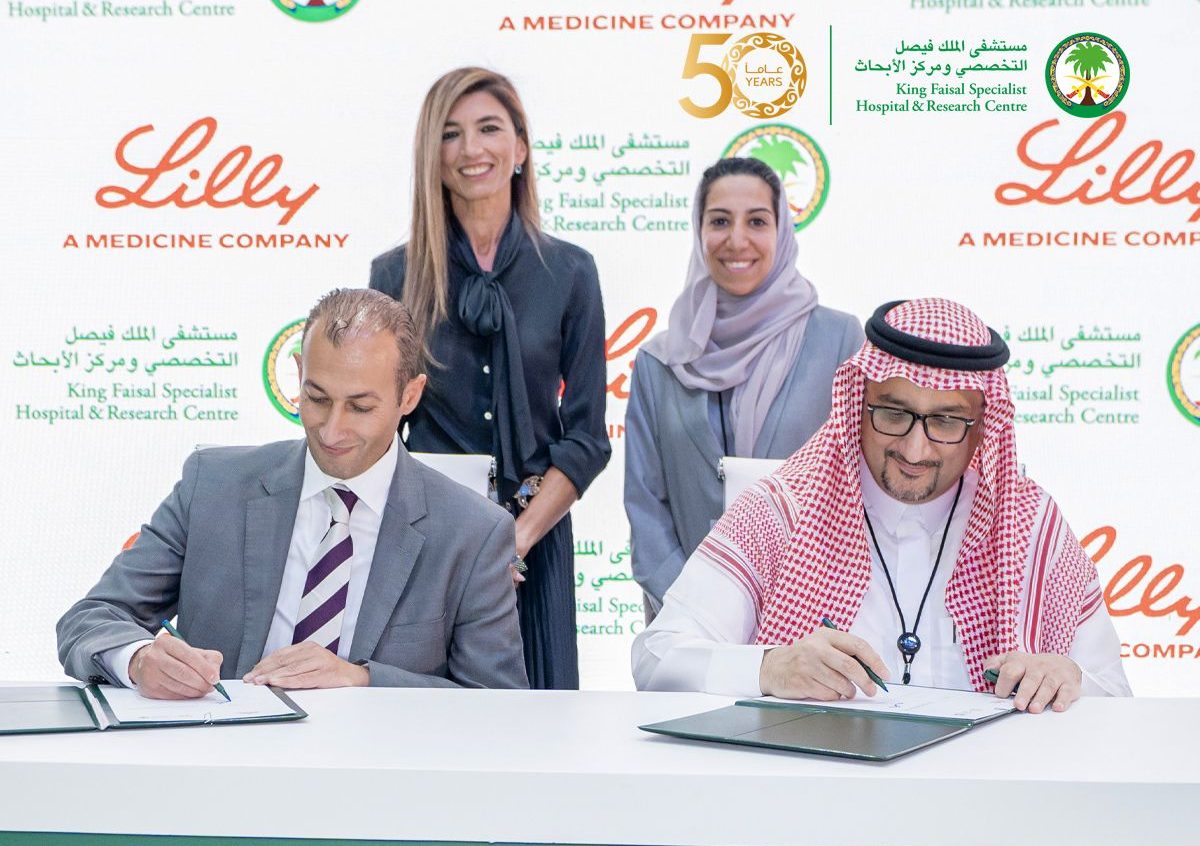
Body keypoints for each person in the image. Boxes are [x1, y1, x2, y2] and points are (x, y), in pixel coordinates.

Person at [633, 298, 1130, 713]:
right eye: (893, 413)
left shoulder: (1029, 526)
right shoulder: (781, 512)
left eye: (946, 422)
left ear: (982, 427)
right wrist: (769, 667)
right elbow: (656, 657)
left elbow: (1116, 696)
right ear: (860, 401)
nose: (915, 449)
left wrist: (1069, 677)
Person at [58, 288, 528, 698]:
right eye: (317, 398)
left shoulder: (473, 531)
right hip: (220, 762)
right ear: (300, 372)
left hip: (379, 769)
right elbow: (92, 618)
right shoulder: (213, 486)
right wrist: (138, 659)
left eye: (360, 407)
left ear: (409, 396)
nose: (332, 429)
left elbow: (497, 705)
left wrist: (364, 681)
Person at [370, 67, 610, 690]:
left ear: (520, 147)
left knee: (538, 722)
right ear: (432, 155)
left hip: (534, 542)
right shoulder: (393, 276)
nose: (471, 148)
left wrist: (515, 540)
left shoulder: (571, 272)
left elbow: (587, 439)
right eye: (450, 134)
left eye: (489, 129)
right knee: (420, 718)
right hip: (426, 545)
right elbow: (378, 428)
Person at [624, 157, 863, 616]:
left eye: (756, 221)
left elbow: (855, 492)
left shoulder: (838, 340)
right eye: (719, 221)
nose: (736, 240)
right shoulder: (660, 361)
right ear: (699, 231)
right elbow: (646, 505)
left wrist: (803, 604)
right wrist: (696, 609)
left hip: (810, 616)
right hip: (685, 620)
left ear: (782, 230)